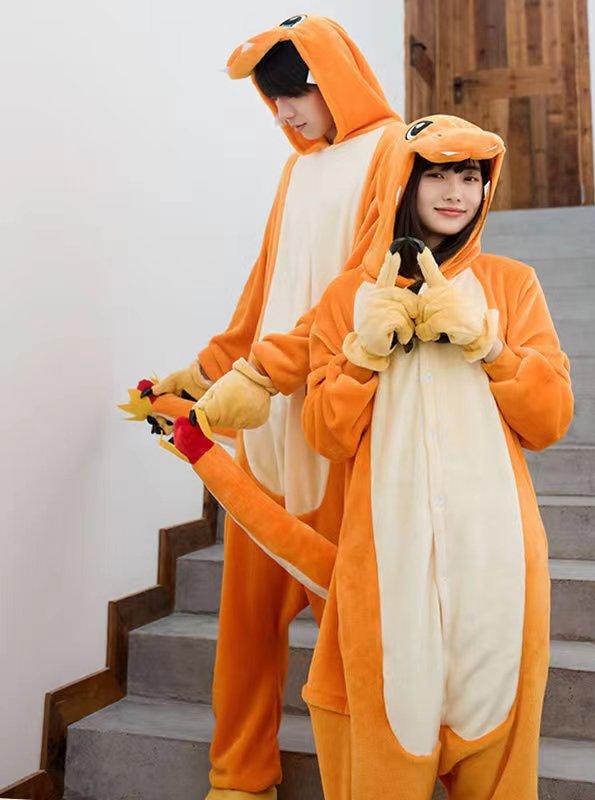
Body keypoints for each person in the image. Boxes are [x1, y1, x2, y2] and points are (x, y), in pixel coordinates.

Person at [144, 14, 404, 800]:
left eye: (294, 94)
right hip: (263, 433)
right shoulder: (297, 171)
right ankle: (238, 776)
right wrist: (204, 372)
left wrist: (267, 372)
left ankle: (372, 780)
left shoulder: (392, 151)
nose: (284, 113)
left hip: (332, 421)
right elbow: (265, 285)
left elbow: (363, 287)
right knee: (246, 624)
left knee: (347, 626)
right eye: (273, 100)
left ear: (332, 81)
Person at [298, 114, 575, 799]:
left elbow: (550, 420)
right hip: (387, 565)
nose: (456, 193)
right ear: (405, 182)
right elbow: (325, 436)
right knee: (387, 754)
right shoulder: (346, 297)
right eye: (439, 175)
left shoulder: (512, 285)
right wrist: (362, 356)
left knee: (500, 763)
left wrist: (490, 346)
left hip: (496, 559)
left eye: (471, 177)